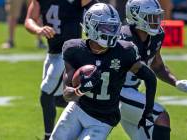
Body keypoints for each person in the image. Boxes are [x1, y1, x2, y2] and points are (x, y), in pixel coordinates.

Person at [50, 3, 157, 140]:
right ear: (91, 25)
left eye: (113, 27)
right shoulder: (74, 49)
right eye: (106, 27)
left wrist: (147, 113)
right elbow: (67, 95)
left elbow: (150, 78)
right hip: (78, 109)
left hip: (103, 119)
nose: (111, 32)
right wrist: (81, 89)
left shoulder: (124, 51)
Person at [24, 0, 97, 139]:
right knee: (59, 99)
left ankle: (48, 136)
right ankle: (87, 115)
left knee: (46, 93)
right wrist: (39, 29)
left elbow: (98, 9)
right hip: (52, 53)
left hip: (68, 54)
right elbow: (29, 20)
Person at [119, 0, 187, 139]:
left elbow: (157, 66)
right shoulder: (124, 39)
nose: (156, 21)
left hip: (131, 92)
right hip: (116, 92)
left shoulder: (156, 36)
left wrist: (175, 82)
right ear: (136, 16)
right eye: (151, 17)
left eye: (158, 17)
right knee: (161, 117)